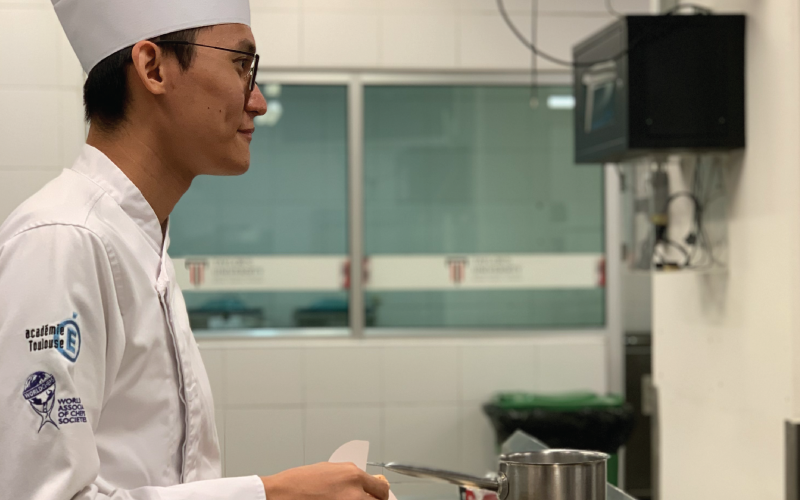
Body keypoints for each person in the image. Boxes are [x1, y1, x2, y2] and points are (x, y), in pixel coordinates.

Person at [0, 1, 391, 500]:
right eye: (240, 65)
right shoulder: (63, 241)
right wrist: (272, 494)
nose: (258, 102)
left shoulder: (141, 240)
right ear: (153, 68)